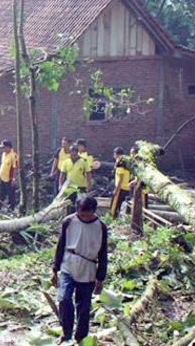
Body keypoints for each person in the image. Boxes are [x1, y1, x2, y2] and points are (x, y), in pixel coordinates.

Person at [52, 195, 108, 344]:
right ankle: (66, 332)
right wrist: (54, 269)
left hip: (88, 268)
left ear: (93, 212)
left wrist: (100, 278)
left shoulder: (101, 227)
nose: (84, 217)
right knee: (64, 299)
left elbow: (103, 253)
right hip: (68, 265)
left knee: (83, 307)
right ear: (77, 210)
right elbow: (60, 245)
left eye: (88, 214)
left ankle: (80, 336)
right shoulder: (69, 221)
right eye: (82, 214)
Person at [59, 145, 92, 213]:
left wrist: (89, 185)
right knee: (69, 203)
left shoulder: (83, 161)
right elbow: (62, 174)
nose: (73, 156)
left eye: (74, 154)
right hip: (70, 186)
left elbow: (88, 174)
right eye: (71, 154)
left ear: (77, 153)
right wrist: (60, 184)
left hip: (81, 186)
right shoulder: (66, 162)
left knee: (81, 203)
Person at [110, 147, 134, 218]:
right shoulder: (126, 162)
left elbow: (121, 178)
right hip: (126, 188)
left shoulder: (120, 163)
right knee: (121, 207)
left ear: (116, 154)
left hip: (121, 188)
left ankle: (112, 219)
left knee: (114, 207)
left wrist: (116, 190)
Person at [0, 139, 18, 209]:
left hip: (9, 179)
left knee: (11, 195)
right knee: (1, 193)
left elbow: (15, 168)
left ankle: (11, 209)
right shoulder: (4, 154)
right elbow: (2, 165)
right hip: (2, 178)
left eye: (4, 147)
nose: (3, 149)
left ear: (8, 147)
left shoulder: (13, 155)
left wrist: (14, 179)